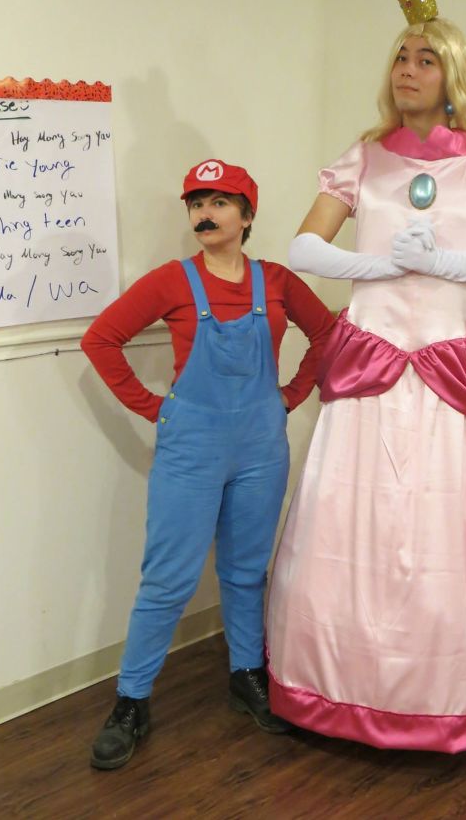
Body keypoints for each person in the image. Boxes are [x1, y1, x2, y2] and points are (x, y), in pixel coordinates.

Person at [266, 0, 466, 754]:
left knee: (458, 541)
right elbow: (304, 247)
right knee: (357, 536)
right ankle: (344, 689)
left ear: (452, 77)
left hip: (454, 377)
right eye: (401, 56)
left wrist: (451, 262)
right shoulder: (363, 159)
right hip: (373, 374)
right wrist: (374, 269)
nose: (408, 68)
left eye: (426, 58)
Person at [81, 158, 334, 769]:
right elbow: (101, 339)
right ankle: (131, 701)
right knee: (167, 579)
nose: (205, 212)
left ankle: (246, 675)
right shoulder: (172, 281)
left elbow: (327, 334)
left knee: (247, 572)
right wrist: (154, 409)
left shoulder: (275, 281)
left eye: (221, 202)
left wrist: (292, 396)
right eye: (196, 202)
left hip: (259, 447)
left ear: (247, 217)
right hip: (191, 446)